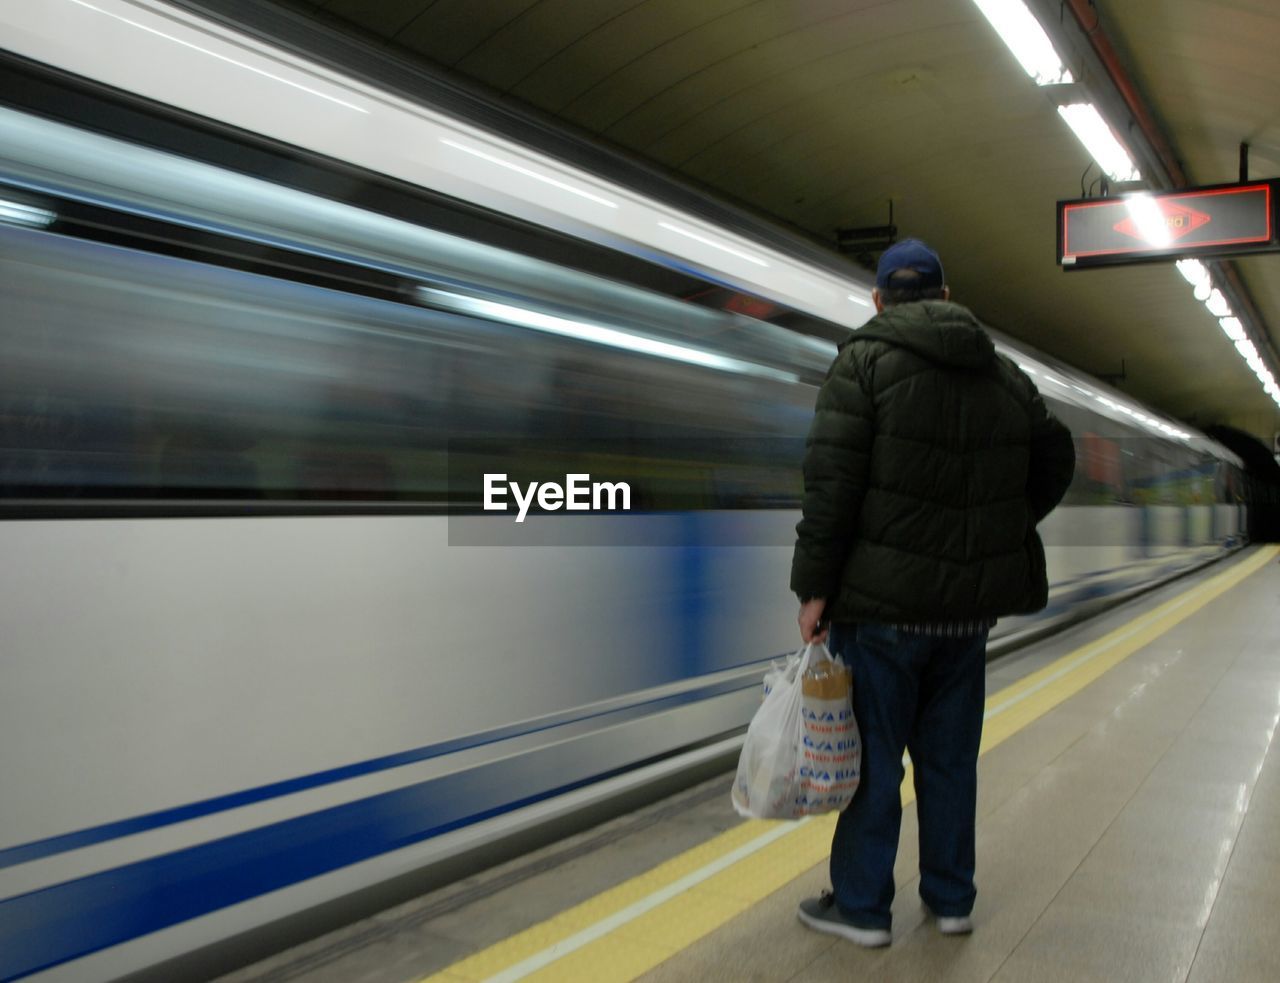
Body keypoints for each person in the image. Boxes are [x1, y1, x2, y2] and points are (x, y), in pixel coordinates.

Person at [789, 238, 1075, 947]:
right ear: (946, 298)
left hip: (881, 613)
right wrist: (999, 527)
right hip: (964, 617)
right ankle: (950, 900)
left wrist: (814, 587)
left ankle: (861, 905)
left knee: (876, 762)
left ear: (880, 301)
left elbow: (832, 487)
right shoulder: (1003, 375)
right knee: (950, 762)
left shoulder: (861, 363)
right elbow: (1056, 454)